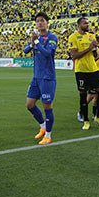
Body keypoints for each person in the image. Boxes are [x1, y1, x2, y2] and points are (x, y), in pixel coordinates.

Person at [23, 12, 58, 145]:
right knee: (29, 104)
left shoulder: (52, 37)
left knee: (47, 106)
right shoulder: (36, 37)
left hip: (47, 77)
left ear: (47, 22)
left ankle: (48, 135)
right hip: (36, 77)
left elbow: (47, 53)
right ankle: (43, 127)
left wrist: (36, 42)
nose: (40, 23)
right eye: (37, 21)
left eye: (42, 20)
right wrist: (32, 43)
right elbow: (26, 50)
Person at [69, 18, 99, 129]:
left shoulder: (91, 36)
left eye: (87, 23)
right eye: (85, 23)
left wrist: (96, 50)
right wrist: (89, 48)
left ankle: (98, 117)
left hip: (93, 69)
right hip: (81, 70)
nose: (87, 24)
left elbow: (94, 55)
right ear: (79, 25)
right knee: (83, 96)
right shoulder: (73, 37)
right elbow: (74, 56)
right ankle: (86, 121)